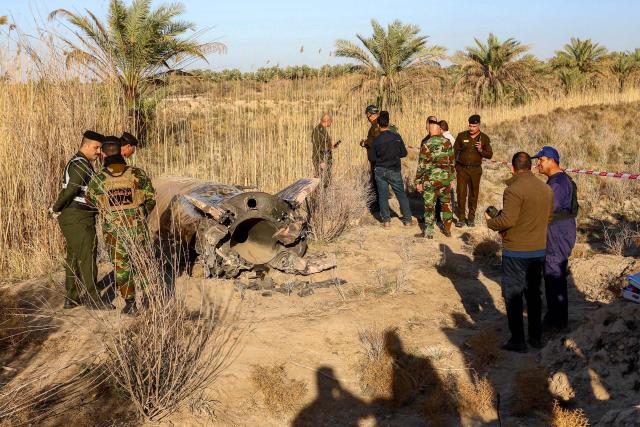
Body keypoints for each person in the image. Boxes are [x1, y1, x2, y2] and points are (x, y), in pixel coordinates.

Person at [485, 152, 554, 352]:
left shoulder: (513, 190)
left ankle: (518, 340)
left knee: (513, 295)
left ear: (513, 168)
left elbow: (507, 220)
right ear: (531, 167)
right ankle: (535, 337)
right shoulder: (546, 188)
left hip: (516, 251)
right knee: (534, 295)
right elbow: (548, 218)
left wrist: (491, 222)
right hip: (538, 250)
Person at [86, 138, 157, 315]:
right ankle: (149, 300)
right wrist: (140, 215)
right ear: (120, 152)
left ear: (104, 154)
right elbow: (150, 199)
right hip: (137, 228)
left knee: (121, 266)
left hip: (114, 231)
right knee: (142, 262)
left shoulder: (99, 178)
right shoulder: (137, 173)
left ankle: (131, 304)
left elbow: (90, 200)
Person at [50, 130, 109, 309]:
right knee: (88, 256)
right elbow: (70, 191)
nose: (99, 151)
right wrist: (55, 208)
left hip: (77, 217)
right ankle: (94, 300)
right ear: (86, 145)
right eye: (97, 147)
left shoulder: (81, 162)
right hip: (78, 217)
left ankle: (72, 297)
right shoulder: (81, 164)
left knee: (75, 257)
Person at [533, 146, 577, 332]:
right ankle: (556, 318)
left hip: (557, 234)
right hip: (558, 231)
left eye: (541, 160)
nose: (538, 164)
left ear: (551, 160)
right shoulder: (559, 180)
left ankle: (556, 323)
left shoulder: (558, 183)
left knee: (554, 275)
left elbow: (549, 208)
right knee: (553, 276)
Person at [368, 111, 413, 227]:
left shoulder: (376, 140)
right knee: (401, 195)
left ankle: (386, 221)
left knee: (382, 196)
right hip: (394, 169)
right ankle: (407, 220)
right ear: (388, 124)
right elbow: (404, 153)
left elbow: (371, 157)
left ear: (378, 125)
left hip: (380, 170)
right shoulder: (396, 137)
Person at [415, 117, 455, 238]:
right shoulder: (447, 143)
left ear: (431, 131)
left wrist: (418, 181)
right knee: (446, 204)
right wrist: (452, 178)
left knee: (429, 206)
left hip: (430, 181)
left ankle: (429, 232)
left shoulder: (426, 144)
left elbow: (421, 165)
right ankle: (447, 230)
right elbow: (452, 162)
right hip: (445, 180)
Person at [454, 114, 493, 228]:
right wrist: (456, 167)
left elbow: (489, 155)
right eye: (470, 125)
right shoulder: (461, 136)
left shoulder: (484, 138)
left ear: (479, 125)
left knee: (473, 194)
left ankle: (471, 218)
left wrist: (481, 150)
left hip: (475, 170)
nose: (471, 128)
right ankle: (461, 218)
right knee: (461, 193)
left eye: (474, 126)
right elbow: (454, 152)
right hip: (462, 169)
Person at [311, 113, 338, 187]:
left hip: (326, 159)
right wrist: (321, 161)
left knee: (327, 181)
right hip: (321, 160)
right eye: (331, 121)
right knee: (322, 181)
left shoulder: (323, 130)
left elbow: (323, 145)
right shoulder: (318, 130)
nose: (331, 123)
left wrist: (331, 146)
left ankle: (325, 197)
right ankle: (319, 198)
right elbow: (316, 147)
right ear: (327, 121)